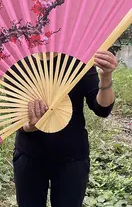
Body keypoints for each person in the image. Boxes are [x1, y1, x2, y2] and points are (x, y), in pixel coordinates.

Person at [8, 50, 118, 207]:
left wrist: (106, 76)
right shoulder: (19, 63)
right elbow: (14, 118)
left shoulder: (77, 60)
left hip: (72, 158)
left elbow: (102, 109)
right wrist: (30, 126)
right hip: (29, 156)